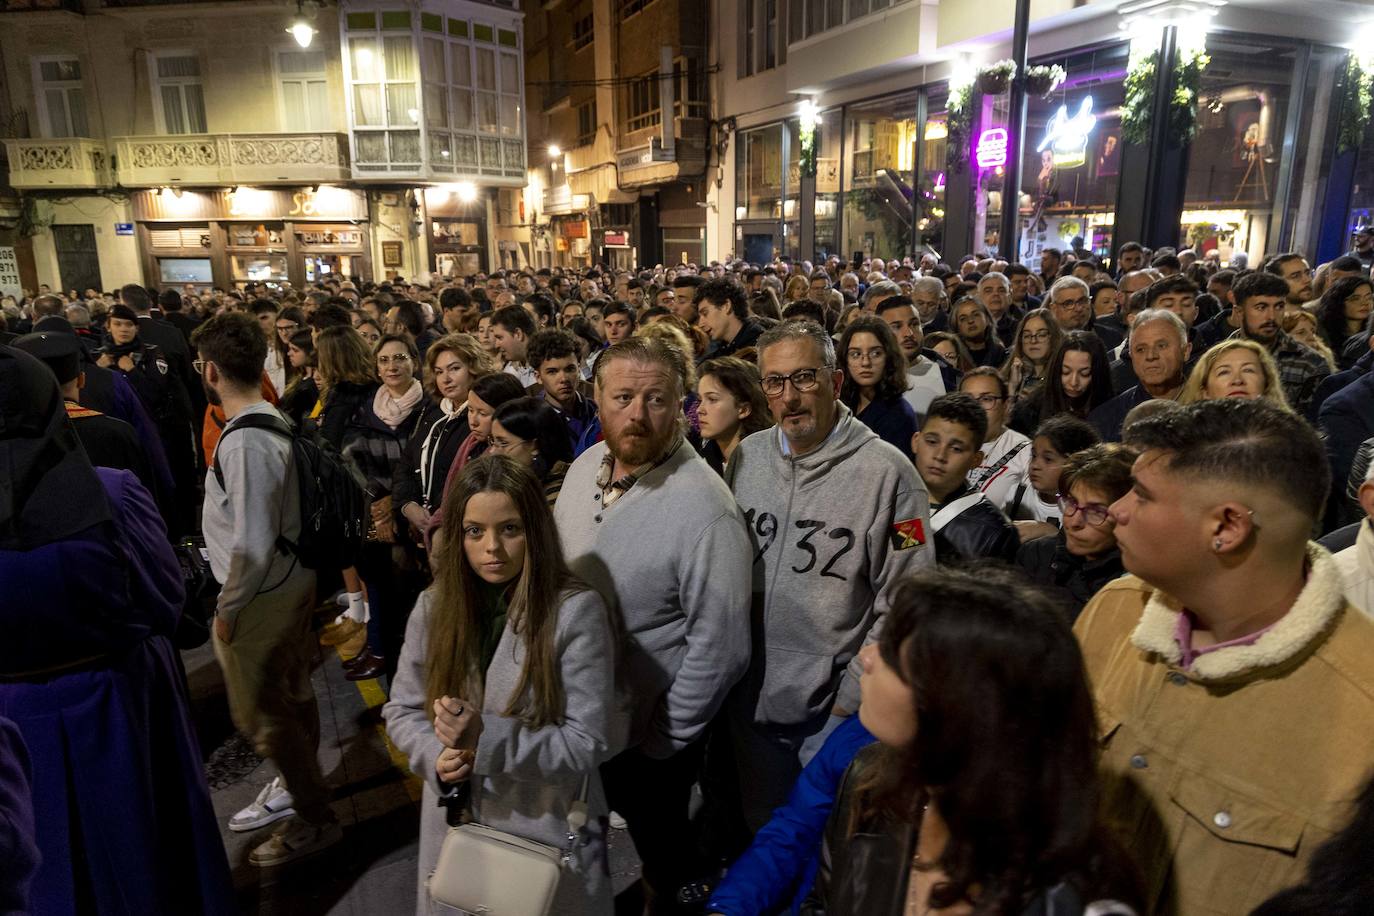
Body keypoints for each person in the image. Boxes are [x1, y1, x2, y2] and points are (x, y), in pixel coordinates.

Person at [1075, 398, 1374, 915]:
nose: (1117, 509)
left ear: (1226, 527)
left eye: (1142, 496)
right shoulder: (1113, 611)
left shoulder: (1362, 717)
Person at [0, 345, 236, 913]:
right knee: (143, 857)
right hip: (118, 702)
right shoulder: (109, 492)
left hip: (9, 725)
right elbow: (163, 598)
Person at [805, 566, 1142, 915]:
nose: (866, 657)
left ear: (957, 699)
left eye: (889, 650)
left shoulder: (1081, 898)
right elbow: (823, 904)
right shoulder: (871, 782)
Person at [554, 336, 753, 914]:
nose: (636, 415)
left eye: (656, 399)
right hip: (580, 715)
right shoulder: (588, 466)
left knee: (661, 847)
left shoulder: (705, 509)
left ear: (683, 405)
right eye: (621, 397)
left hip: (646, 737)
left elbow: (721, 648)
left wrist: (664, 739)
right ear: (596, 397)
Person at [384, 456, 619, 916]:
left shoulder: (574, 612)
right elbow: (402, 710)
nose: (492, 547)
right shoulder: (435, 607)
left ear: (534, 529)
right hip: (456, 835)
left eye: (509, 529)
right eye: (475, 531)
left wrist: (485, 739)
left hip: (543, 834)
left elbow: (586, 743)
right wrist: (436, 755)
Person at [727, 319, 934, 832]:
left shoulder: (892, 477)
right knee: (761, 836)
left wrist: (851, 700)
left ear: (836, 382)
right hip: (746, 704)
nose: (789, 397)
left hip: (829, 716)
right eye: (775, 382)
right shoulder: (747, 457)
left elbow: (910, 597)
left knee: (819, 849)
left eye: (804, 378)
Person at [194, 312, 342, 866]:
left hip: (263, 595)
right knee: (292, 695)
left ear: (210, 371)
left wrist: (228, 608)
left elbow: (253, 541)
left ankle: (314, 814)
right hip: (285, 582)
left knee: (262, 717)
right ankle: (304, 790)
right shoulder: (266, 421)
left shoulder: (246, 440)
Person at [395, 333, 497, 545]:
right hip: (422, 531)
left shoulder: (484, 418)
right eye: (439, 371)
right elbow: (406, 463)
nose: (445, 379)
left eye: (454, 369)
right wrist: (408, 505)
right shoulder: (432, 411)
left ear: (473, 367)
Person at [1016, 444, 1133, 619]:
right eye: (1071, 502)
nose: (1075, 521)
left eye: (1096, 511)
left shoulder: (1135, 582)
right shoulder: (1034, 555)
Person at [914, 392, 1019, 563]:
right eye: (932, 442)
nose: (940, 455)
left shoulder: (994, 532)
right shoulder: (890, 498)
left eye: (956, 448)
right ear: (915, 441)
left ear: (976, 460)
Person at [1230, 271, 1330, 415]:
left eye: (1279, 307)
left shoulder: (1310, 364)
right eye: (1261, 307)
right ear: (1239, 312)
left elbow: (1311, 429)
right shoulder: (1216, 358)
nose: (1271, 316)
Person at [1088, 309, 1190, 441]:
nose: (1151, 356)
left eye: (1162, 346)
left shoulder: (1209, 408)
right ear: (1131, 356)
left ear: (1186, 351)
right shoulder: (1103, 420)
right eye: (1140, 349)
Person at [1010, 414, 1101, 541]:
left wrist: (1052, 532)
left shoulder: (1085, 508)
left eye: (1048, 459)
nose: (1035, 465)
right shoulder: (1016, 494)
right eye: (1034, 455)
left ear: (1075, 463)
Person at [837, 315, 917, 454]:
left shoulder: (899, 416)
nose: (865, 362)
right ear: (845, 359)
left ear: (889, 356)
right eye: (856, 354)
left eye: (875, 353)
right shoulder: (842, 403)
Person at [874, 296, 959, 424]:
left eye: (914, 324)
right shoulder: (867, 380)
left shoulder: (950, 375)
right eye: (896, 326)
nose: (909, 333)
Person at [959, 367, 1032, 514]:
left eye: (986, 399)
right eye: (967, 399)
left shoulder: (1025, 451)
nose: (976, 407)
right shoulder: (944, 445)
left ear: (1005, 406)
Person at [488, 396, 576, 505]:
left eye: (503, 443)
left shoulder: (558, 495)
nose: (492, 451)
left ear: (534, 446)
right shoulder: (522, 484)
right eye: (493, 440)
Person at [696, 355, 772, 476]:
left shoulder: (768, 464)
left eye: (712, 399)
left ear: (743, 409)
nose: (699, 410)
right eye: (700, 400)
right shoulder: (701, 463)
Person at [527, 328, 599, 456]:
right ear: (538, 376)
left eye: (570, 369)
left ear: (578, 368)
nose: (564, 379)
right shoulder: (530, 419)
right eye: (552, 372)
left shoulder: (596, 411)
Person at [1178, 339, 1291, 410]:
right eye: (1224, 372)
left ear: (1266, 383)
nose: (1237, 381)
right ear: (1204, 392)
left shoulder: (1291, 438)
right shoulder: (1186, 441)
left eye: (1248, 370)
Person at [1002, 307, 1063, 403]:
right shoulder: (1010, 376)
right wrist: (1012, 390)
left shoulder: (1063, 377)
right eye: (1027, 336)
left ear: (1053, 337)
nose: (1033, 341)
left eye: (1041, 335)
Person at [697, 278, 765, 359]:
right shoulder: (721, 352)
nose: (700, 324)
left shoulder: (762, 347)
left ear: (726, 306)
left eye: (705, 313)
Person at [1315, 275, 1373, 361]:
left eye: (1369, 297)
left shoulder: (1371, 333)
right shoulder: (1321, 330)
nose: (1365, 303)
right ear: (1338, 302)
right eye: (1355, 298)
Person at [489, 304, 539, 387]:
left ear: (518, 334)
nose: (496, 345)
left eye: (500, 338)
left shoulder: (547, 366)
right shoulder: (509, 370)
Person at [951, 297, 1005, 368]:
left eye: (976, 315)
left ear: (987, 319)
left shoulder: (1000, 352)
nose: (970, 321)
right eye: (963, 319)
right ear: (956, 327)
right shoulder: (952, 354)